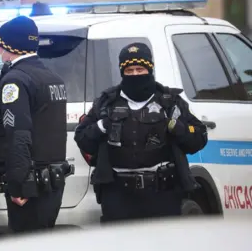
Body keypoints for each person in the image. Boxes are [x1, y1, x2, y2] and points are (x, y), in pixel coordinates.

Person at [74, 42, 208, 223]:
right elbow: (82, 138)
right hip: (118, 197)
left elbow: (199, 138)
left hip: (163, 194)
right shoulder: (107, 103)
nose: (135, 75)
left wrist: (175, 127)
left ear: (149, 69)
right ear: (122, 73)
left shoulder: (169, 102)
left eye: (140, 69)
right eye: (129, 71)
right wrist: (103, 126)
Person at [0, 16, 73, 233]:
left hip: (30, 186)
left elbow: (19, 135)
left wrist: (18, 185)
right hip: (51, 182)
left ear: (11, 46)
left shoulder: (15, 81)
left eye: (0, 46)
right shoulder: (53, 78)